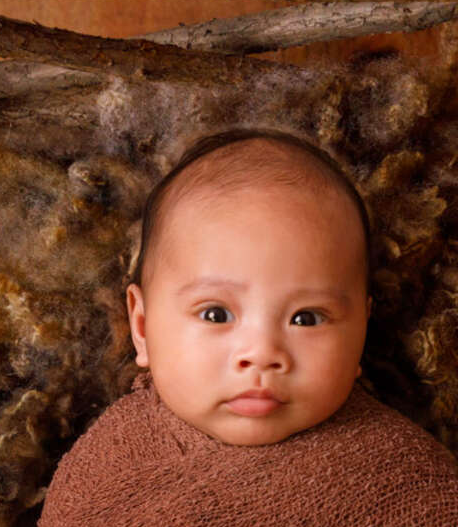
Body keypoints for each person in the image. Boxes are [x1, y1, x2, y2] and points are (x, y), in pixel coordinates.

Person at [125, 128, 373, 446]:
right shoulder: (111, 457)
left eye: (306, 318)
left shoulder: (400, 461)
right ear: (142, 328)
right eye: (215, 314)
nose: (261, 354)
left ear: (362, 330)